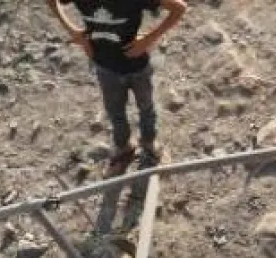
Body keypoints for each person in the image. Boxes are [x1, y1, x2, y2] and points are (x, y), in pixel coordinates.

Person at [47, 0, 188, 174]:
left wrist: (148, 39)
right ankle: (123, 148)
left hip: (137, 68)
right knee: (115, 112)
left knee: (146, 108)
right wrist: (74, 32)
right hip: (106, 68)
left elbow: (179, 8)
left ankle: (149, 145)